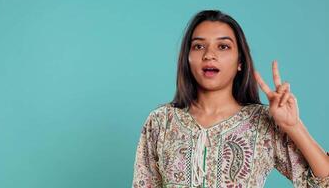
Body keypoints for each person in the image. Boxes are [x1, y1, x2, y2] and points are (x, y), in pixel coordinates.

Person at [132, 10, 329, 188]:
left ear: (240, 62)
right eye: (199, 46)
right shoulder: (161, 121)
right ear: (187, 58)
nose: (209, 55)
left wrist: (294, 126)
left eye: (223, 46)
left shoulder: (262, 122)